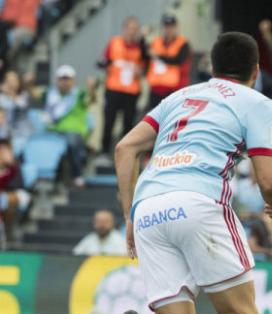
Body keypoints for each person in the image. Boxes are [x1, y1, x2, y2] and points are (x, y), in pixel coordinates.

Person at [113, 32, 272, 314]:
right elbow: (269, 178)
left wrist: (128, 216)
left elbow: (125, 148)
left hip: (149, 209)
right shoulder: (257, 103)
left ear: (211, 67)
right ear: (257, 71)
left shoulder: (179, 97)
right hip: (199, 202)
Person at [98, 16, 147, 156]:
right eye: (129, 28)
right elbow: (104, 61)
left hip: (131, 92)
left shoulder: (141, 48)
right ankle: (104, 152)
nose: (131, 32)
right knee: (108, 122)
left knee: (128, 124)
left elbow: (146, 68)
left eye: (134, 29)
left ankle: (125, 154)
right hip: (113, 89)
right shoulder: (114, 43)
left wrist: (141, 71)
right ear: (124, 29)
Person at [45, 65, 97, 187]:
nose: (64, 82)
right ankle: (51, 178)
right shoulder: (51, 94)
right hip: (54, 130)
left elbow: (91, 100)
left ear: (73, 80)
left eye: (67, 78)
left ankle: (77, 175)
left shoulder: (79, 94)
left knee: (71, 141)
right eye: (62, 78)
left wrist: (92, 88)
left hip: (74, 131)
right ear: (57, 80)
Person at [146, 15, 191, 110]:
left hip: (174, 89)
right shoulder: (156, 41)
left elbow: (178, 60)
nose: (168, 29)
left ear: (176, 27)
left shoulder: (183, 43)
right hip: (156, 88)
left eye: (171, 26)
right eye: (166, 26)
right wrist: (143, 36)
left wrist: (158, 56)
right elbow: (145, 55)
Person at [0, 139, 29, 242]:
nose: (7, 154)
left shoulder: (14, 169)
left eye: (8, 151)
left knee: (21, 196)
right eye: (3, 151)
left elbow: (17, 188)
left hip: (7, 199)